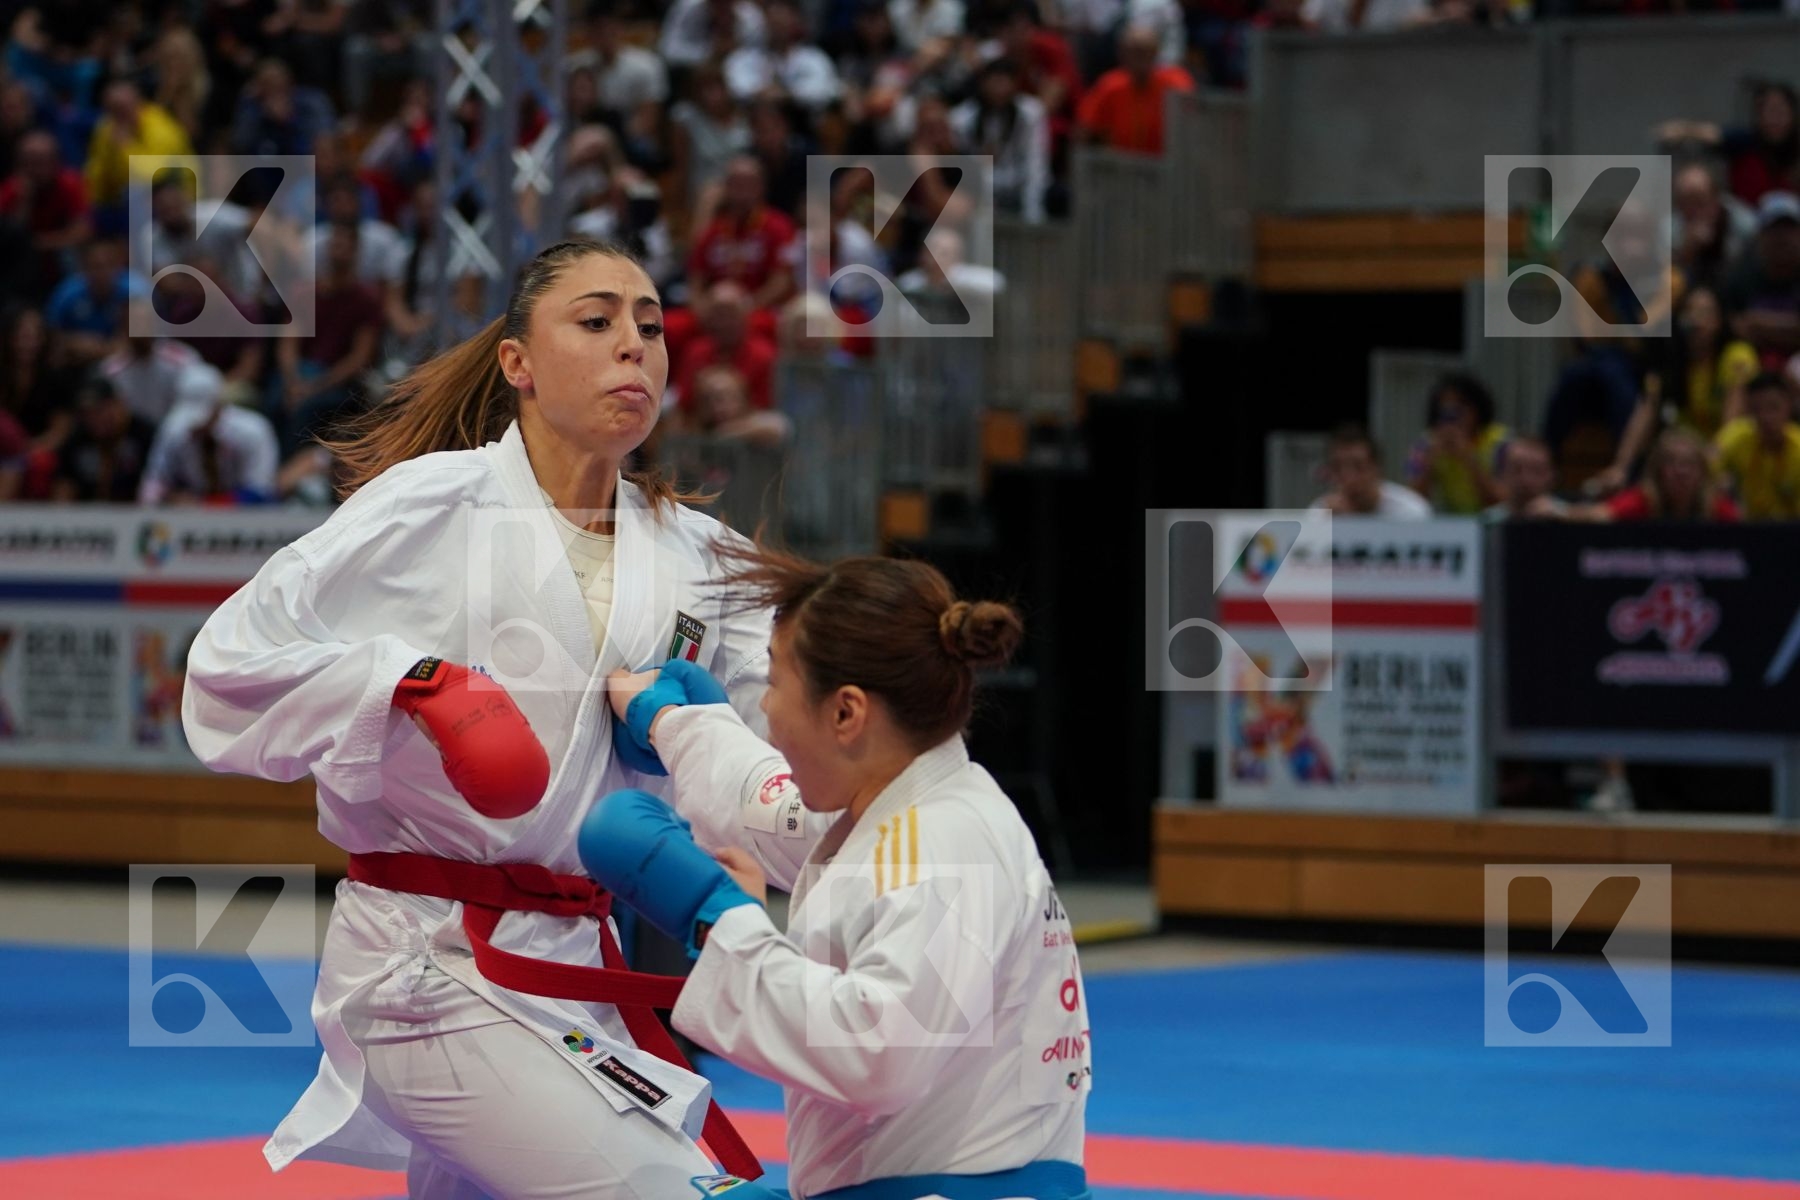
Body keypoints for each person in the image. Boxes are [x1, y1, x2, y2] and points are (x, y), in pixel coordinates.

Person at [181, 237, 775, 1198]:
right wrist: (412, 682)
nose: (635, 345)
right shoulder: (431, 506)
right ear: (518, 364)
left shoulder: (699, 556)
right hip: (425, 963)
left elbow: (780, 751)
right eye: (597, 321)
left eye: (652, 327)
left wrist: (720, 792)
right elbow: (226, 666)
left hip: (575, 965)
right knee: (663, 1189)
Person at [585, 546, 1091, 1200]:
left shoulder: (942, 846)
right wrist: (674, 724)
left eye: (774, 682)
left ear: (847, 712)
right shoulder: (901, 808)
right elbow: (771, 801)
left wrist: (721, 921)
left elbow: (879, 1057)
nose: (766, 712)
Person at [138, 361, 280, 505]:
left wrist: (205, 504)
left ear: (218, 407)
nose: (196, 429)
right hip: (191, 511)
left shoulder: (253, 431)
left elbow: (261, 492)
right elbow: (154, 482)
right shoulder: (173, 430)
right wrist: (162, 500)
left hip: (244, 513)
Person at [1074, 23, 1194, 158]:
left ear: (1156, 52)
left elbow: (1193, 119)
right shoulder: (1110, 85)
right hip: (1120, 164)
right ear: (1121, 54)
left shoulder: (1175, 82)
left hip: (1165, 163)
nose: (1140, 57)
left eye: (1145, 51)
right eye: (1134, 51)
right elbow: (1084, 130)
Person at [1582, 427, 1739, 523]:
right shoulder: (1643, 500)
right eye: (1671, 462)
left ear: (1703, 473)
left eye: (1689, 463)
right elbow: (1599, 515)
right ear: (1657, 471)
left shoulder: (1715, 508)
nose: (1680, 471)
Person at [1404, 372, 1508, 515]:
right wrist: (1430, 461)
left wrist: (1468, 459)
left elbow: (1502, 502)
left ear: (1477, 408)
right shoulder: (1425, 445)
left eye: (1460, 408)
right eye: (1445, 410)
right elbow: (1412, 503)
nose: (1453, 416)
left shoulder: (1501, 443)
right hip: (1453, 523)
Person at [53, 373, 158, 502]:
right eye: (86, 413)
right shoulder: (78, 439)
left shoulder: (146, 436)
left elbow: (157, 484)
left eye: (100, 410)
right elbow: (64, 485)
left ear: (119, 404)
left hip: (135, 508)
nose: (94, 419)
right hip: (88, 511)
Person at [1713, 371, 1800, 520]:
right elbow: (1707, 462)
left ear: (1789, 405)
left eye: (1773, 407)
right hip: (1748, 527)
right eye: (1756, 409)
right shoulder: (1736, 437)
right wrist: (1718, 481)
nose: (1765, 417)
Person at [1310, 424, 1432, 518]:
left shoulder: (1411, 512)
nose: (1348, 476)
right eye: (1337, 468)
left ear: (1376, 468)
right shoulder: (1321, 513)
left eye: (1358, 466)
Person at [1482, 435, 1566, 522]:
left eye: (1536, 470)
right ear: (1502, 474)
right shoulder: (1487, 522)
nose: (1526, 479)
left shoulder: (1567, 517)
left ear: (1552, 475)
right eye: (1517, 469)